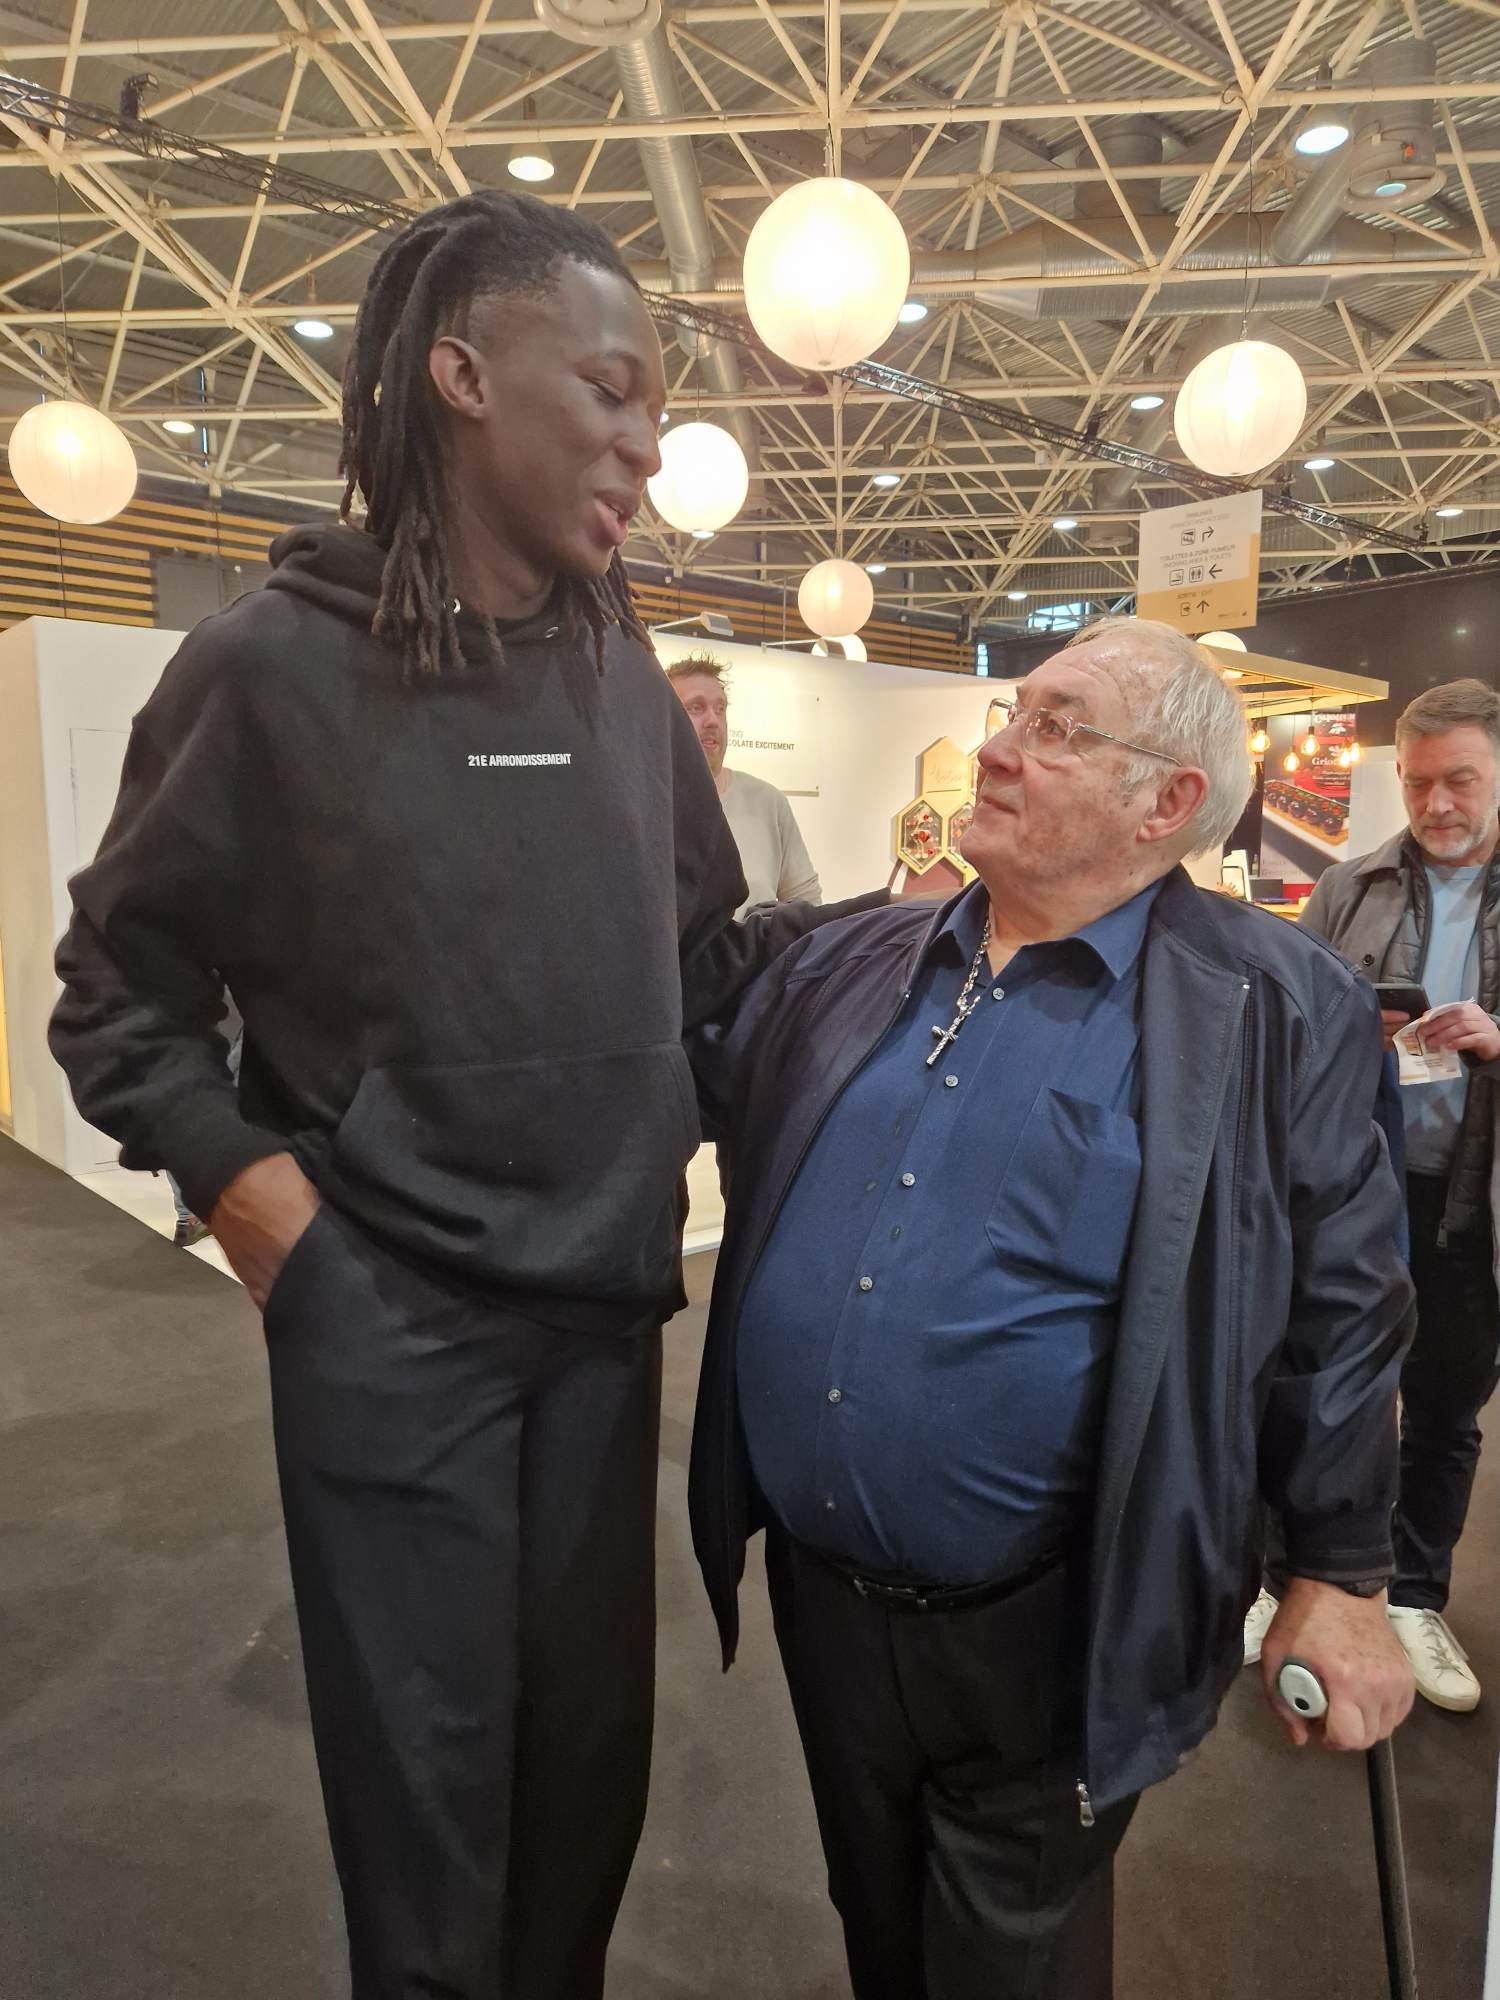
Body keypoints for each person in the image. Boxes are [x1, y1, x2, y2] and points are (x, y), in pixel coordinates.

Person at [49, 190, 870, 2000]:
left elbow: (699, 963)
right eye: (613, 390)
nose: (647, 445)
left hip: (601, 1330)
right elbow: (117, 993)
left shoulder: (617, 675)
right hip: (389, 1333)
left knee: (581, 1806)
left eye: (658, 410)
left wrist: (918, 945)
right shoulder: (265, 668)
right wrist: (267, 1214)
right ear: (461, 374)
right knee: (427, 1833)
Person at [689, 617, 1415, 2000]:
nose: (1000, 751)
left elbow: (1344, 1303)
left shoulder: (1275, 1005)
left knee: (1010, 1954)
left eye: (1058, 728)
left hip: (1058, 1618)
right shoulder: (857, 957)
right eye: (1013, 714)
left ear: (1168, 801)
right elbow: (667, 997)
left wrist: (1340, 1570)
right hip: (824, 1596)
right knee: (877, 1920)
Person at [1244, 677, 1500, 1714]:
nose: (1437, 803)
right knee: (1308, 1382)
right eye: (1419, 781)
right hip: (1352, 1193)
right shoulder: (1349, 887)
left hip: (1475, 1206)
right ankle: (1285, 1583)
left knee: (1444, 1406)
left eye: (1461, 780)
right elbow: (1286, 1017)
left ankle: (1415, 1598)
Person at [667, 654, 821, 911]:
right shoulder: (645, 807)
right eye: (696, 707)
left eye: (720, 709)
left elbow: (807, 906)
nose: (713, 721)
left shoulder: (768, 803)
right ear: (664, 717)